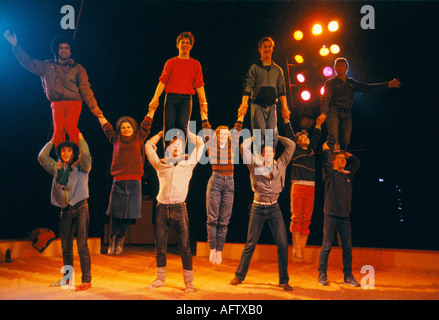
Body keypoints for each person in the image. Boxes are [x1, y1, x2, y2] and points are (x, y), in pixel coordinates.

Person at [4, 31, 103, 147]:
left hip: (74, 103)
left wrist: (94, 107)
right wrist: (15, 46)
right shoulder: (47, 66)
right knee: (58, 132)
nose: (64, 50)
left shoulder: (78, 69)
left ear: (71, 51)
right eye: (61, 48)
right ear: (57, 50)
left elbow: (86, 90)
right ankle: (61, 159)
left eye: (67, 48)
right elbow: (29, 63)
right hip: (57, 103)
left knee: (71, 128)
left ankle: (77, 157)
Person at [230, 134, 296, 291]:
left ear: (274, 154)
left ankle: (283, 280)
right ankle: (239, 276)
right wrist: (254, 137)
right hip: (258, 208)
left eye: (271, 151)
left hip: (274, 207)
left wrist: (277, 136)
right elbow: (242, 148)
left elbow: (291, 145)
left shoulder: (281, 164)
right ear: (261, 154)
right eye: (264, 152)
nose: (268, 154)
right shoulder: (255, 164)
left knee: (282, 243)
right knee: (250, 243)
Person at [145, 127, 205, 293]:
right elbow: (148, 146)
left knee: (185, 247)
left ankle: (188, 282)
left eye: (180, 145)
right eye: (173, 145)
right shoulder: (160, 165)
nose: (177, 147)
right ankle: (160, 278)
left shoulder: (188, 165)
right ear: (168, 150)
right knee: (160, 247)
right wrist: (161, 133)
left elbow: (201, 144)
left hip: (179, 209)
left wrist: (188, 133)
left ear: (183, 150)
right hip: (162, 209)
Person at [38, 132, 92, 291]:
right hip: (66, 210)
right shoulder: (57, 168)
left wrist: (81, 138)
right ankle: (67, 279)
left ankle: (86, 280)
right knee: (66, 247)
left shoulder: (82, 165)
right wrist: (53, 141)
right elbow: (41, 158)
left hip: (81, 207)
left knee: (82, 245)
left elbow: (87, 154)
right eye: (63, 150)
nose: (66, 153)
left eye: (69, 150)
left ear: (74, 152)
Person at [97, 107, 156, 255]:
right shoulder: (115, 138)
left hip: (135, 183)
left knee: (129, 215)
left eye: (128, 126)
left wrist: (152, 109)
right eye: (123, 127)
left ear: (133, 128)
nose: (125, 129)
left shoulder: (139, 137)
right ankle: (112, 240)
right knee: (115, 214)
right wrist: (99, 114)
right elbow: (106, 127)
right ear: (119, 129)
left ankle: (120, 240)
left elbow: (147, 123)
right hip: (118, 182)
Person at [317, 57, 400, 151]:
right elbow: (325, 97)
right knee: (333, 137)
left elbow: (367, 88)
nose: (340, 67)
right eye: (338, 66)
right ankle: (329, 161)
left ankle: (341, 160)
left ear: (346, 68)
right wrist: (323, 113)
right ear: (335, 68)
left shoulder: (351, 83)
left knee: (346, 140)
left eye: (342, 65)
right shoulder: (330, 82)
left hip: (347, 112)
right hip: (334, 111)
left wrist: (388, 85)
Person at [200, 111, 245, 265]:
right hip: (216, 180)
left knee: (224, 219)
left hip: (230, 182)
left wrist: (241, 114)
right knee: (212, 218)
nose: (225, 136)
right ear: (217, 136)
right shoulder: (211, 144)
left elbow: (238, 128)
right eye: (221, 134)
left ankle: (220, 249)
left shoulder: (232, 145)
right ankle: (212, 248)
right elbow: (206, 129)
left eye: (227, 134)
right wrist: (204, 114)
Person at [149, 31, 207, 146]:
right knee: (169, 124)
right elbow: (162, 81)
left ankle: (180, 153)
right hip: (171, 97)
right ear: (177, 45)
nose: (184, 45)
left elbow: (199, 84)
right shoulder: (171, 62)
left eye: (187, 43)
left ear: (191, 46)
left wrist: (204, 102)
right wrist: (155, 98)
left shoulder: (195, 64)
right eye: (182, 42)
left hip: (186, 99)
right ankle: (167, 153)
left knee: (183, 124)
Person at [317, 142, 361, 287]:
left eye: (344, 159)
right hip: (330, 215)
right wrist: (327, 151)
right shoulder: (330, 174)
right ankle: (322, 274)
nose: (344, 160)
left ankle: (348, 276)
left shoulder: (348, 175)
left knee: (347, 247)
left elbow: (356, 162)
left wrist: (345, 152)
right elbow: (326, 162)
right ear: (334, 161)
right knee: (326, 246)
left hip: (345, 217)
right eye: (340, 158)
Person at [238, 36, 289, 150]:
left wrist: (285, 107)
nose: (267, 49)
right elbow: (248, 86)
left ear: (272, 49)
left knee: (272, 134)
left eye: (269, 46)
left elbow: (281, 90)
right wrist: (244, 104)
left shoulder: (278, 70)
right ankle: (259, 160)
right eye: (264, 47)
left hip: (272, 105)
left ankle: (270, 159)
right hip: (257, 105)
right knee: (258, 134)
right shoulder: (254, 68)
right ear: (260, 49)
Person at [283, 114, 322, 262]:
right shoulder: (295, 149)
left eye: (308, 138)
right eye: (304, 138)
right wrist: (286, 119)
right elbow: (289, 134)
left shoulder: (311, 149)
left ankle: (301, 248)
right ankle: (296, 247)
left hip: (311, 187)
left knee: (307, 218)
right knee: (297, 216)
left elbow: (317, 138)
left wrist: (318, 124)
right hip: (298, 185)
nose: (307, 139)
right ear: (298, 141)